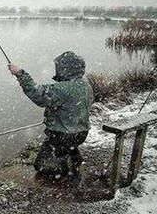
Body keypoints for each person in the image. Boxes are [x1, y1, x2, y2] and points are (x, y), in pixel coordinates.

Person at [8, 51, 94, 181]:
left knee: (41, 165)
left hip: (62, 136)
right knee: (69, 146)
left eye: (59, 67)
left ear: (66, 69)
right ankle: (74, 158)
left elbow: (38, 94)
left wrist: (20, 73)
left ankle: (66, 168)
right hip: (81, 134)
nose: (57, 70)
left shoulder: (62, 89)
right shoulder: (86, 85)